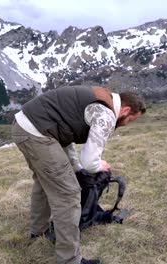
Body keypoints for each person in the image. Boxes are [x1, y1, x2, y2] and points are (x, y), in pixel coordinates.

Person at [11, 85, 146, 264]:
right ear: (126, 110)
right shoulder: (106, 115)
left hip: (26, 126)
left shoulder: (100, 97)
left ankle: (39, 232)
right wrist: (99, 166)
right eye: (131, 119)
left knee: (45, 182)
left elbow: (65, 133)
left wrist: (76, 168)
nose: (127, 124)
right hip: (37, 133)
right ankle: (70, 260)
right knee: (68, 194)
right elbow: (90, 162)